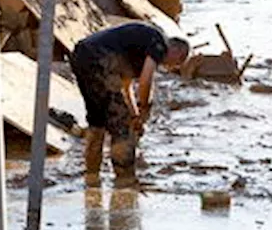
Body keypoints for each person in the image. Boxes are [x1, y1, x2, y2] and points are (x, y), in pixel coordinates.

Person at [69, 22, 189, 183]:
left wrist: (135, 114)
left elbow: (126, 86)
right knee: (121, 127)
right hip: (101, 58)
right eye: (178, 61)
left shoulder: (138, 50)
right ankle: (125, 179)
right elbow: (146, 81)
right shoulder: (159, 43)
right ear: (176, 51)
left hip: (81, 55)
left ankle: (91, 176)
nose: (173, 67)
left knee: (97, 120)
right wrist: (144, 107)